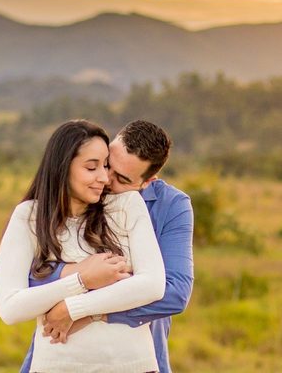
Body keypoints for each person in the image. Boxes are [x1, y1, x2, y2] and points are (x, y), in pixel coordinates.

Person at [21, 120, 194, 373]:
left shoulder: (172, 206)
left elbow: (175, 292)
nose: (104, 180)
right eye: (106, 165)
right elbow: (13, 276)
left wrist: (85, 311)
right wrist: (80, 273)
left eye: (122, 178)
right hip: (61, 355)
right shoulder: (72, 190)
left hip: (135, 359)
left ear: (148, 181)